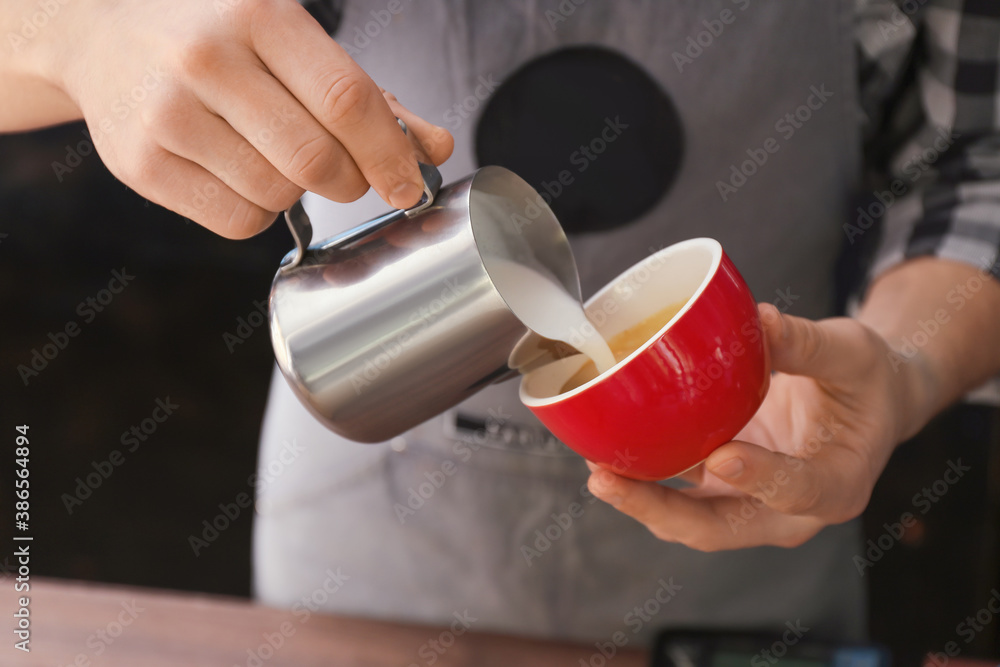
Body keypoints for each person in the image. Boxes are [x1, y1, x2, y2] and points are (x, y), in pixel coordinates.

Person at [4, 0, 999, 644]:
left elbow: (980, 156)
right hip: (367, 551)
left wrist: (904, 369)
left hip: (758, 541)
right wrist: (78, 34)